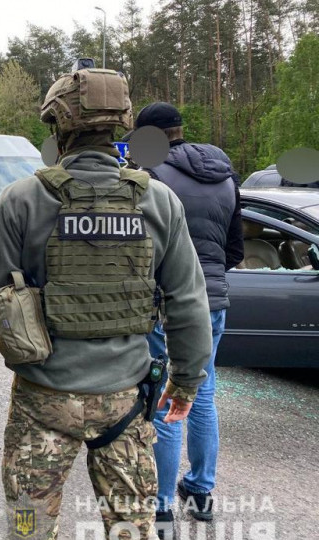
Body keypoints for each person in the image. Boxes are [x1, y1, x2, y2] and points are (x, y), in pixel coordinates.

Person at [0, 68, 213, 540]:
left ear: (58, 125)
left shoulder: (22, 199)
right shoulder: (159, 201)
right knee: (132, 530)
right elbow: (188, 300)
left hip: (42, 400)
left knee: (28, 525)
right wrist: (187, 380)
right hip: (126, 403)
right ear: (120, 124)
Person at [136, 102, 244, 530]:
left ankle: (161, 505)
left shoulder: (153, 178)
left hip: (167, 303)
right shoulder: (225, 175)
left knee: (165, 401)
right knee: (201, 396)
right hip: (214, 303)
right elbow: (235, 248)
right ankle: (200, 492)